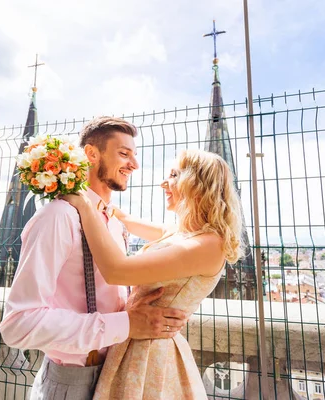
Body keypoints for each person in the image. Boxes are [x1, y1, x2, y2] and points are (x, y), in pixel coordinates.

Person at [0, 116, 188, 400]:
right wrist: (126, 324)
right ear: (90, 154)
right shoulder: (58, 216)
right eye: (124, 153)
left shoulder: (113, 223)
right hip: (73, 383)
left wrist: (132, 309)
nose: (134, 164)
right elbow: (19, 325)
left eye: (134, 155)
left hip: (117, 373)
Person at [62, 148, 244, 399]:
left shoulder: (207, 245)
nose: (163, 183)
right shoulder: (184, 234)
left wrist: (83, 204)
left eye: (173, 175)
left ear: (196, 183)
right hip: (138, 340)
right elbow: (125, 218)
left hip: (149, 352)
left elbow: (116, 271)